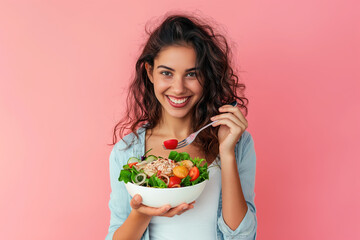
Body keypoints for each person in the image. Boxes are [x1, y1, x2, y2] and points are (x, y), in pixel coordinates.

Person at [106, 13, 257, 240]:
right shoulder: (126, 151)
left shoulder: (238, 144)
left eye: (192, 74)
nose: (178, 88)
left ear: (206, 76)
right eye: (167, 73)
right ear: (149, 72)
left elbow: (244, 237)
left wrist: (227, 153)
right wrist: (141, 214)